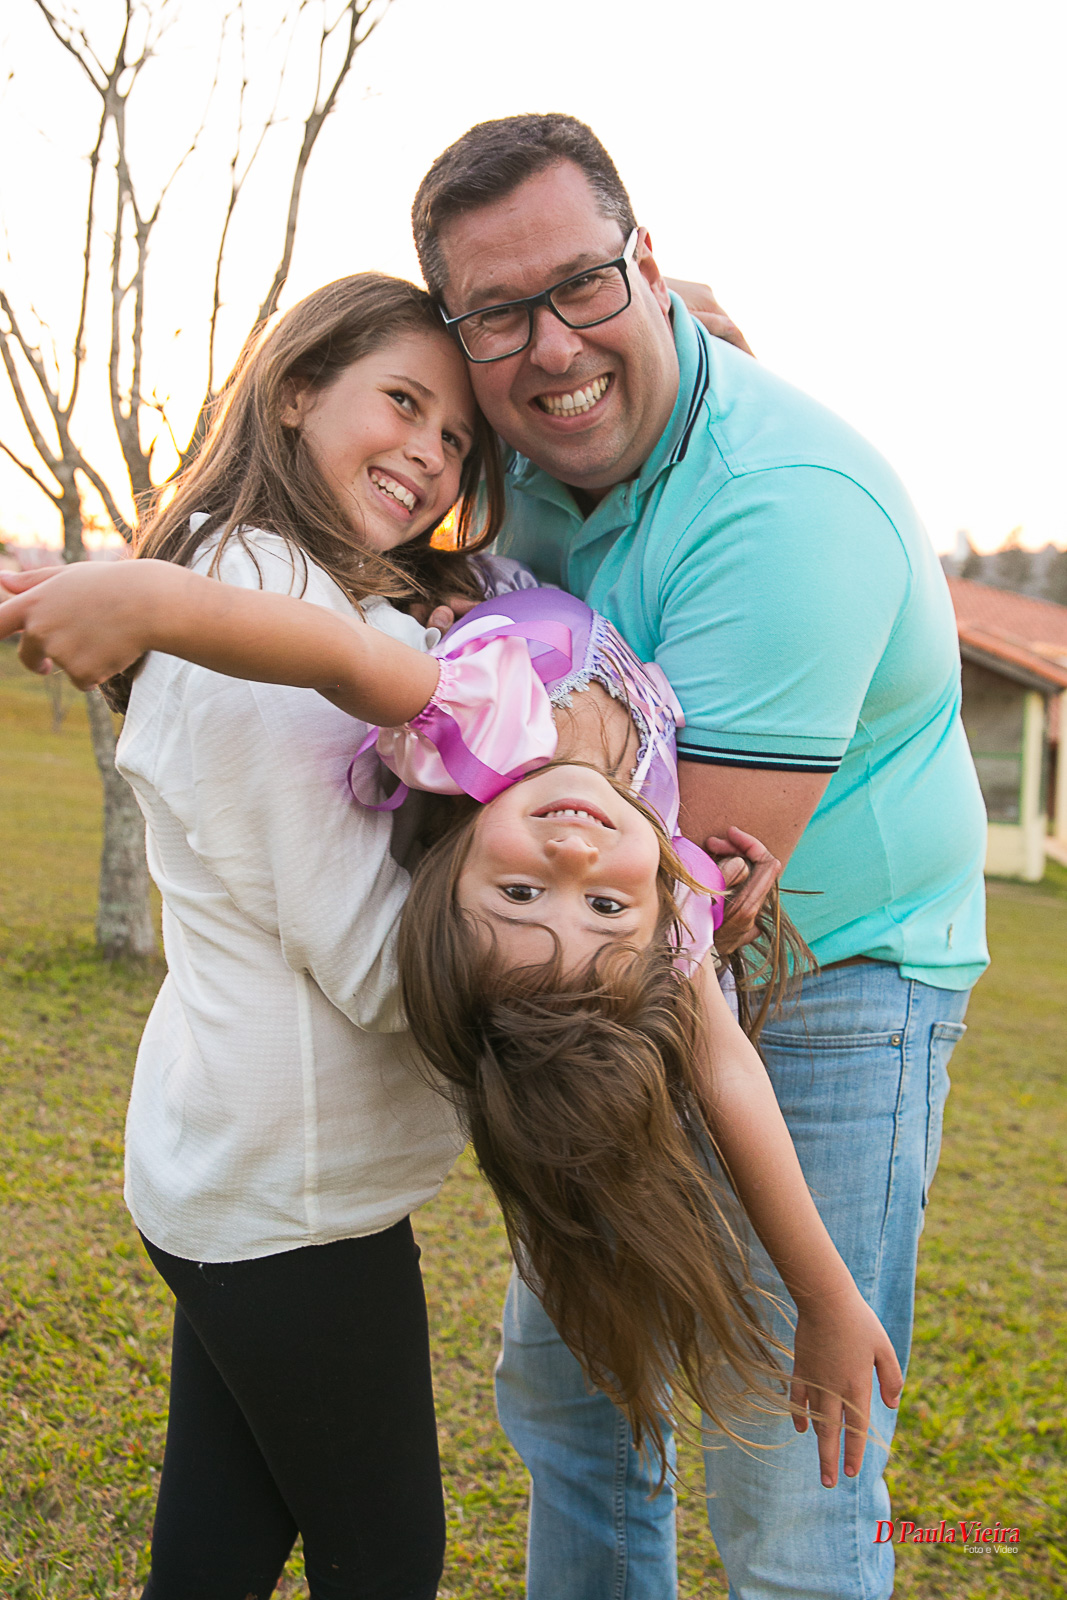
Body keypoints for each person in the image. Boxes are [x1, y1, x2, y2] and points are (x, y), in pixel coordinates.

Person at [3, 532, 906, 1498]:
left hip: (469, 560)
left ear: (463, 861)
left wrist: (151, 600)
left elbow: (327, 653)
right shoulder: (672, 881)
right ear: (654, 927)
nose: (572, 864)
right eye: (605, 910)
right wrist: (824, 1295)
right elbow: (721, 1065)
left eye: (516, 893)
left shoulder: (480, 728)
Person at [404, 113, 989, 1600]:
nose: (548, 348)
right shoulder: (523, 451)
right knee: (573, 1398)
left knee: (783, 1470)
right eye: (498, 313)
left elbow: (660, 904)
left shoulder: (786, 510)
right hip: (615, 968)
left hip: (829, 971)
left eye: (584, 286)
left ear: (646, 264)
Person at [0, 270, 509, 1600]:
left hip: (245, 1168)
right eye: (400, 402)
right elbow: (372, 962)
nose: (426, 455)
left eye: (455, 436)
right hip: (292, 1197)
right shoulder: (259, 610)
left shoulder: (281, 593)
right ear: (293, 390)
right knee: (385, 1561)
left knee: (221, 1550)